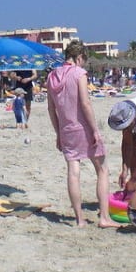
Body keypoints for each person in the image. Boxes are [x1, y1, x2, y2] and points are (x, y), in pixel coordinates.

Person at [46, 41, 117, 228]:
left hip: (66, 130)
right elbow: (85, 104)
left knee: (73, 172)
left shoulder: (52, 76)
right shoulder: (79, 74)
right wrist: (95, 130)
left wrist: (58, 133)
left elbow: (51, 109)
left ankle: (79, 219)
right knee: (102, 169)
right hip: (83, 127)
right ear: (79, 58)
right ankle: (104, 217)